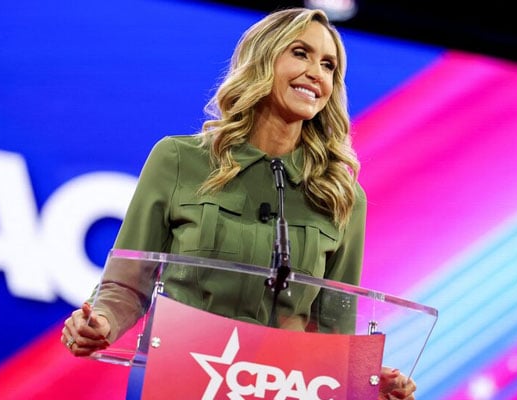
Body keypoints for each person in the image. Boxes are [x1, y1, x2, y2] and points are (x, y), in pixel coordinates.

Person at [61, 7, 417, 400]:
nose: (317, 72)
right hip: (178, 382)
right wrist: (101, 323)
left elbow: (335, 329)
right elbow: (127, 284)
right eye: (300, 53)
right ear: (262, 59)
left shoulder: (341, 195)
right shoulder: (179, 160)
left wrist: (364, 385)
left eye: (329, 65)